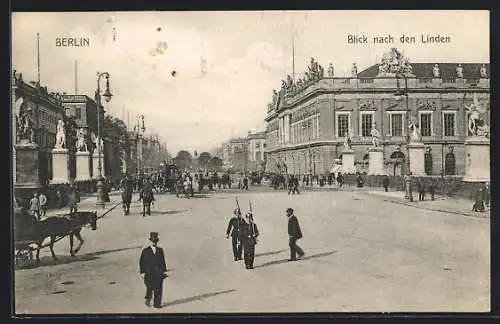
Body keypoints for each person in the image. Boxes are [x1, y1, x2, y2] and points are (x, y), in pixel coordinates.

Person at [139, 232, 168, 308]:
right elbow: (141, 262)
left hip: (158, 272)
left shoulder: (160, 250)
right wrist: (142, 272)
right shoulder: (145, 251)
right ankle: (148, 298)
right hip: (149, 273)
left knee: (158, 288)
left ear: (157, 241)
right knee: (149, 287)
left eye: (155, 241)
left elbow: (162, 261)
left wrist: (164, 271)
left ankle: (157, 304)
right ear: (150, 241)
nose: (154, 242)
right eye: (153, 240)